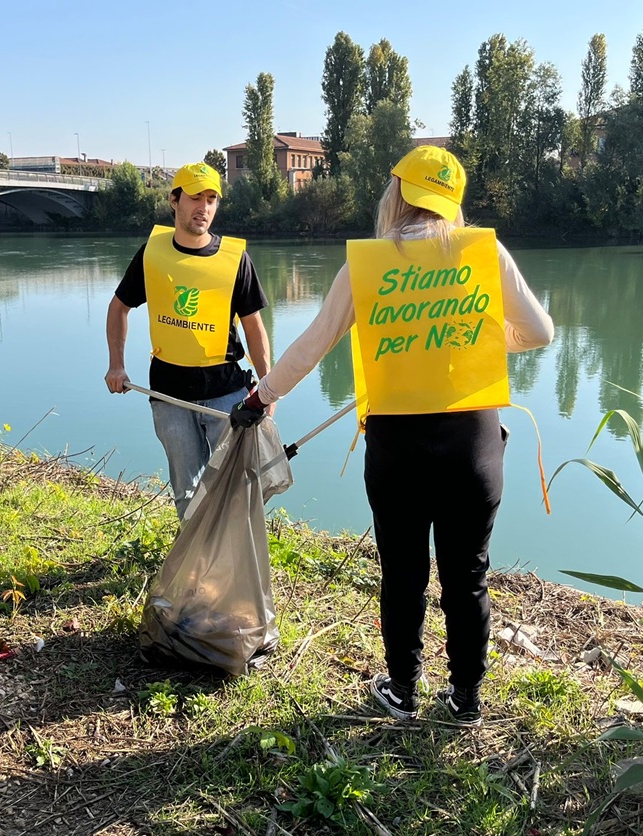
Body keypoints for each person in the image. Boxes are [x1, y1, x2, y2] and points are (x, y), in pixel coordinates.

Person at [230, 146, 554, 724]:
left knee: (402, 572)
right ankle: (465, 700)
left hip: (398, 450)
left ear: (397, 195)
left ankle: (402, 691)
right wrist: (471, 335)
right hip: (472, 446)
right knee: (467, 574)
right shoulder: (484, 252)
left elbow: (311, 346)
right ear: (451, 201)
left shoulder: (368, 263)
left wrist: (260, 397)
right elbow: (539, 331)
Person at [105, 162, 273, 519]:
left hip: (227, 392)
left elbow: (253, 326)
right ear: (174, 200)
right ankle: (195, 571)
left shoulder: (235, 259)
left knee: (237, 486)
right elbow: (119, 307)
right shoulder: (152, 254)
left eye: (212, 199)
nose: (205, 207)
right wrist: (116, 364)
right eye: (196, 197)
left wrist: (268, 386)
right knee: (186, 492)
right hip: (169, 394)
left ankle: (231, 564)